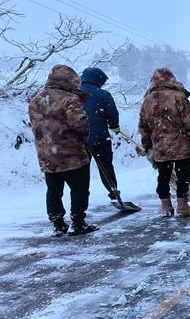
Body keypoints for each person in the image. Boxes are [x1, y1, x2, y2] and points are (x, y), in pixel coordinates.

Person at [28, 64, 98, 236]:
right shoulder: (69, 99)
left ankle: (57, 224)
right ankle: (78, 222)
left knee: (53, 190)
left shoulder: (36, 100)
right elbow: (80, 124)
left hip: (48, 156)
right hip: (71, 154)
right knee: (79, 188)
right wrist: (84, 138)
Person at [138, 68, 190, 217]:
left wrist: (147, 145)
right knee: (183, 175)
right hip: (180, 143)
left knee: (163, 175)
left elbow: (143, 126)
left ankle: (166, 207)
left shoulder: (147, 100)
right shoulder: (178, 97)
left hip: (160, 146)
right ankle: (183, 206)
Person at [80, 67, 126, 204]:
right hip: (100, 138)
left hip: (79, 141)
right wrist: (115, 127)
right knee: (106, 167)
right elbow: (112, 114)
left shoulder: (73, 94)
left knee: (81, 171)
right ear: (97, 80)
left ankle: (81, 201)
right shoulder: (103, 94)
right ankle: (113, 192)